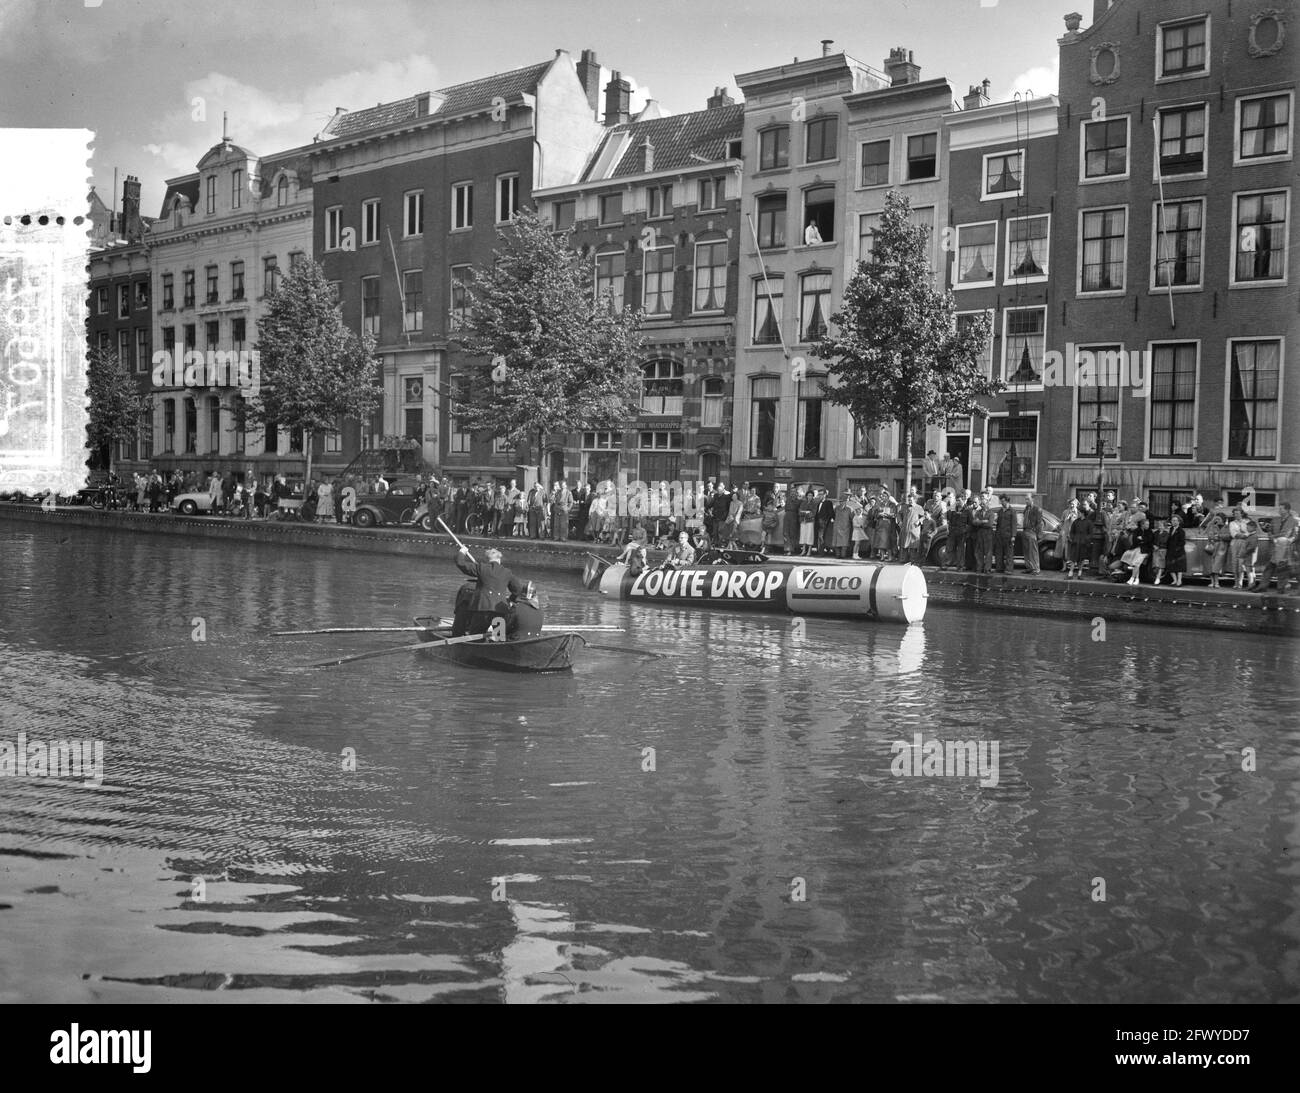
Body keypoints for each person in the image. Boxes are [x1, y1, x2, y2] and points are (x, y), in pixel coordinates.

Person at [453, 546, 525, 637]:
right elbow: (518, 589)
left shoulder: (481, 568)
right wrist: (510, 600)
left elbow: (461, 563)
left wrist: (462, 552)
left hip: (482, 609)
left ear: (487, 559)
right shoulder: (507, 572)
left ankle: (476, 648)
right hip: (500, 610)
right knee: (499, 637)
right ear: (499, 559)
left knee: (476, 637)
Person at [994, 495, 1017, 573]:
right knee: (999, 552)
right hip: (1000, 535)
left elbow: (1014, 524)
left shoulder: (1012, 511)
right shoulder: (1000, 511)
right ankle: (999, 568)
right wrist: (997, 533)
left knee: (1009, 553)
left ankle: (1009, 569)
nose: (1001, 502)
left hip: (1008, 535)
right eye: (1001, 501)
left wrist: (1013, 536)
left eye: (1003, 501)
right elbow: (998, 524)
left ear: (1007, 501)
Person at [1021, 494, 1043, 575]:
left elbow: (1039, 523)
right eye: (1025, 499)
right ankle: (1029, 567)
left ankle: (1036, 568)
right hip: (1025, 530)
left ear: (1032, 499)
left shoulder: (1037, 509)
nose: (1026, 501)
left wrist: (1037, 534)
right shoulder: (1026, 508)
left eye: (1028, 499)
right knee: (1026, 551)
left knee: (1033, 551)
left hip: (1031, 531)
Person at [1166, 514, 1188, 587]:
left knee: (1179, 567)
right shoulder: (1171, 529)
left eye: (1175, 520)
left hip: (1178, 551)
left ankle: (1179, 581)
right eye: (1172, 520)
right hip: (1170, 550)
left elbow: (1182, 542)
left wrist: (1177, 549)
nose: (1173, 522)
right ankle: (1174, 580)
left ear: (1179, 522)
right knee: (1170, 566)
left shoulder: (1181, 531)